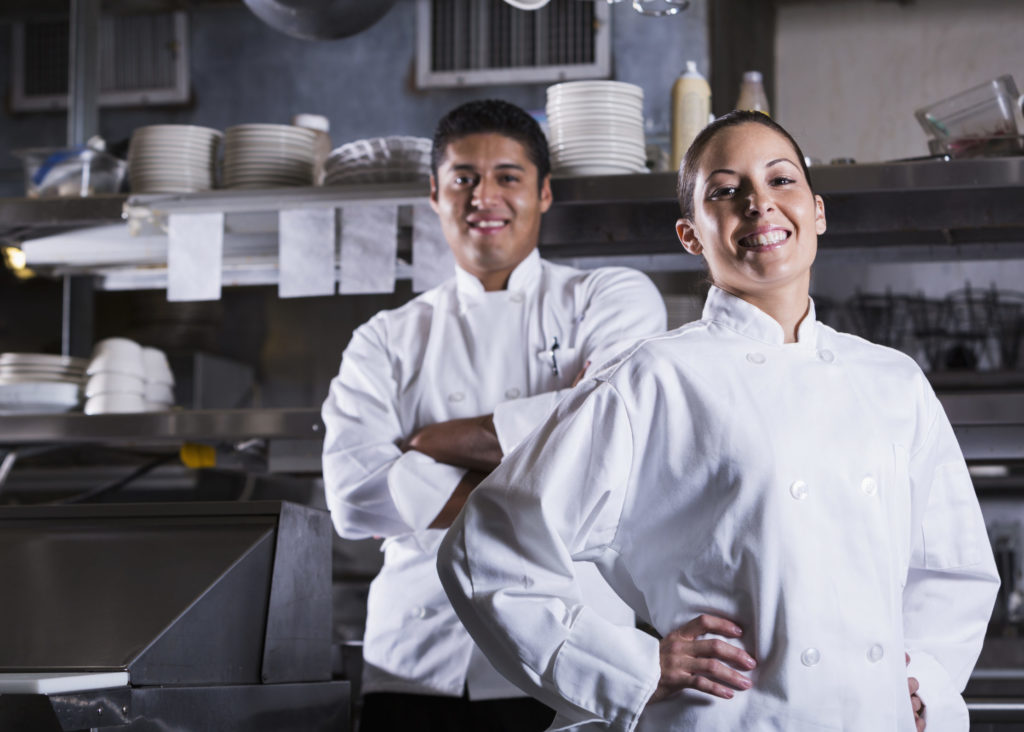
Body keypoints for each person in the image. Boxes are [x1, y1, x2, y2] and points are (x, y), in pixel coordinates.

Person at [437, 110, 1000, 732]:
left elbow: (951, 566)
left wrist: (928, 684)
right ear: (690, 234)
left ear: (817, 211)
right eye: (726, 190)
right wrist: (636, 667)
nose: (760, 204)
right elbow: (487, 550)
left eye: (780, 180)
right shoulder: (653, 377)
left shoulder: (893, 380)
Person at [320, 99, 667, 732]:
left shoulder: (609, 297)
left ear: (544, 194)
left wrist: (425, 445)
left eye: (508, 176)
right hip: (417, 662)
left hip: (575, 649)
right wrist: (545, 486)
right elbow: (350, 494)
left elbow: (614, 440)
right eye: (464, 178)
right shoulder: (386, 337)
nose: (485, 195)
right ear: (435, 193)